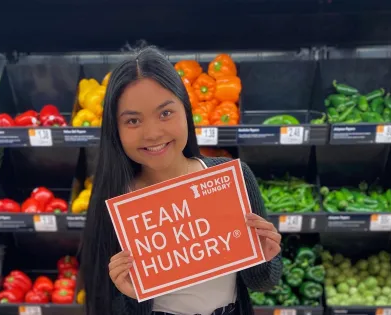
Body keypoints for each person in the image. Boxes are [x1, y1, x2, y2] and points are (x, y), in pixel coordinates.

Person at [80, 46, 283, 315]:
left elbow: (263, 282)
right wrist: (130, 293)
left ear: (186, 111)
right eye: (132, 121)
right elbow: (102, 302)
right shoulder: (115, 201)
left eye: (165, 113)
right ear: (114, 129)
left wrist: (264, 255)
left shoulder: (232, 178)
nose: (152, 133)